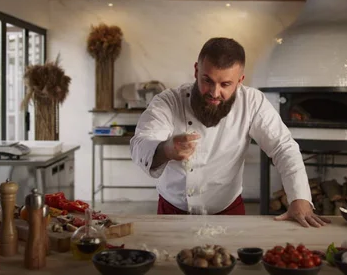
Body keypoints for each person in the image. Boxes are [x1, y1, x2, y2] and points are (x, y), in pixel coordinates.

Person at [129, 37, 330, 228]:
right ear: (196, 70)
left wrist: (300, 197)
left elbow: (283, 147)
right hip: (172, 211)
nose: (214, 93)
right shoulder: (168, 101)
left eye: (225, 84)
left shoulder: (252, 102)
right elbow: (140, 144)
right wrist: (166, 149)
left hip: (228, 212)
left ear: (240, 80)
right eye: (207, 80)